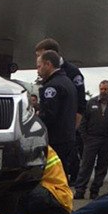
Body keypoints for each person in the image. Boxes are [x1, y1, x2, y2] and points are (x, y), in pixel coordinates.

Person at [35, 38, 86, 183]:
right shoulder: (62, 79)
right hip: (66, 135)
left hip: (59, 136)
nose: (37, 65)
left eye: (39, 57)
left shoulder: (70, 73)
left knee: (53, 174)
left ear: (48, 59)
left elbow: (79, 106)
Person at [74, 80, 108, 200]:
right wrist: (85, 138)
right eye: (101, 89)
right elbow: (83, 122)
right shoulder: (91, 103)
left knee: (102, 167)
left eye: (105, 89)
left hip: (107, 140)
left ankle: (95, 191)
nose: (103, 91)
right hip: (91, 139)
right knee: (86, 165)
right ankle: (80, 190)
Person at [14, 145, 73, 214]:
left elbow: (26, 179)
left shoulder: (34, 149)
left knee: (19, 194)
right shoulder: (34, 145)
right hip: (56, 197)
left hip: (55, 197)